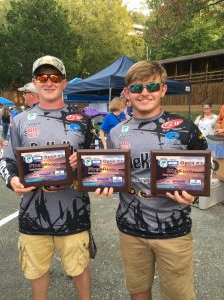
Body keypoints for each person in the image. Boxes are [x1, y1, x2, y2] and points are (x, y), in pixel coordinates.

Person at [96, 60, 208, 300]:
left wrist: (194, 193)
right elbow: (115, 173)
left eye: (152, 87)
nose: (145, 93)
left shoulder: (185, 128)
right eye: (137, 88)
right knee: (138, 292)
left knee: (179, 295)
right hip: (131, 230)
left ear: (163, 89)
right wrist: (105, 184)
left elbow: (204, 168)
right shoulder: (116, 134)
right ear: (127, 94)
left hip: (173, 229)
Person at [0, 55, 93, 300]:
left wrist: (82, 162)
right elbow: (6, 161)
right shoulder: (19, 121)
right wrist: (12, 180)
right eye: (43, 77)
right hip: (33, 214)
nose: (49, 82)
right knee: (37, 273)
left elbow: (97, 161)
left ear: (64, 83)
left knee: (80, 269)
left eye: (55, 77)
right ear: (35, 82)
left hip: (74, 212)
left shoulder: (82, 120)